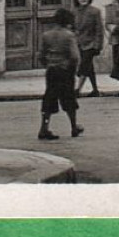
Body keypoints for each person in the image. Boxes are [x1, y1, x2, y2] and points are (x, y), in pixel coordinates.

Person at [36, 8, 83, 140]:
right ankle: (74, 127)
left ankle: (44, 128)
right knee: (69, 98)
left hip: (51, 70)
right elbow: (74, 56)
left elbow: (41, 54)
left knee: (49, 97)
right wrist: (74, 68)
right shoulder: (69, 35)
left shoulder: (46, 35)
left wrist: (48, 64)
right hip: (65, 70)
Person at [71, 0, 104, 97]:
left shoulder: (95, 11)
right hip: (77, 43)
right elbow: (71, 27)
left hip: (90, 44)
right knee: (89, 67)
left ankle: (78, 89)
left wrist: (98, 45)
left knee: (84, 65)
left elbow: (99, 29)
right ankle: (95, 90)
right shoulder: (74, 11)